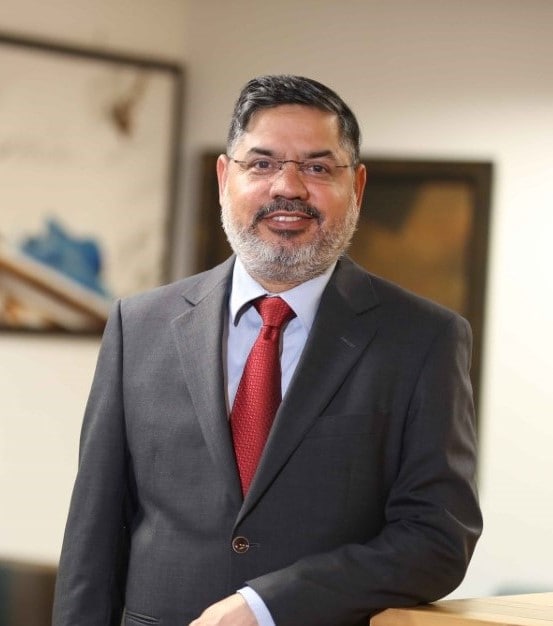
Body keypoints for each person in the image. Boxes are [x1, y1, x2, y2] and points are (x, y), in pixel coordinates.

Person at [52, 75, 482, 626]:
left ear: (358, 186)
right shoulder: (138, 326)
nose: (289, 187)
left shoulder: (423, 339)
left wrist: (267, 605)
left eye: (318, 168)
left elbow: (437, 539)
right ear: (224, 177)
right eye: (262, 163)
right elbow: (93, 533)